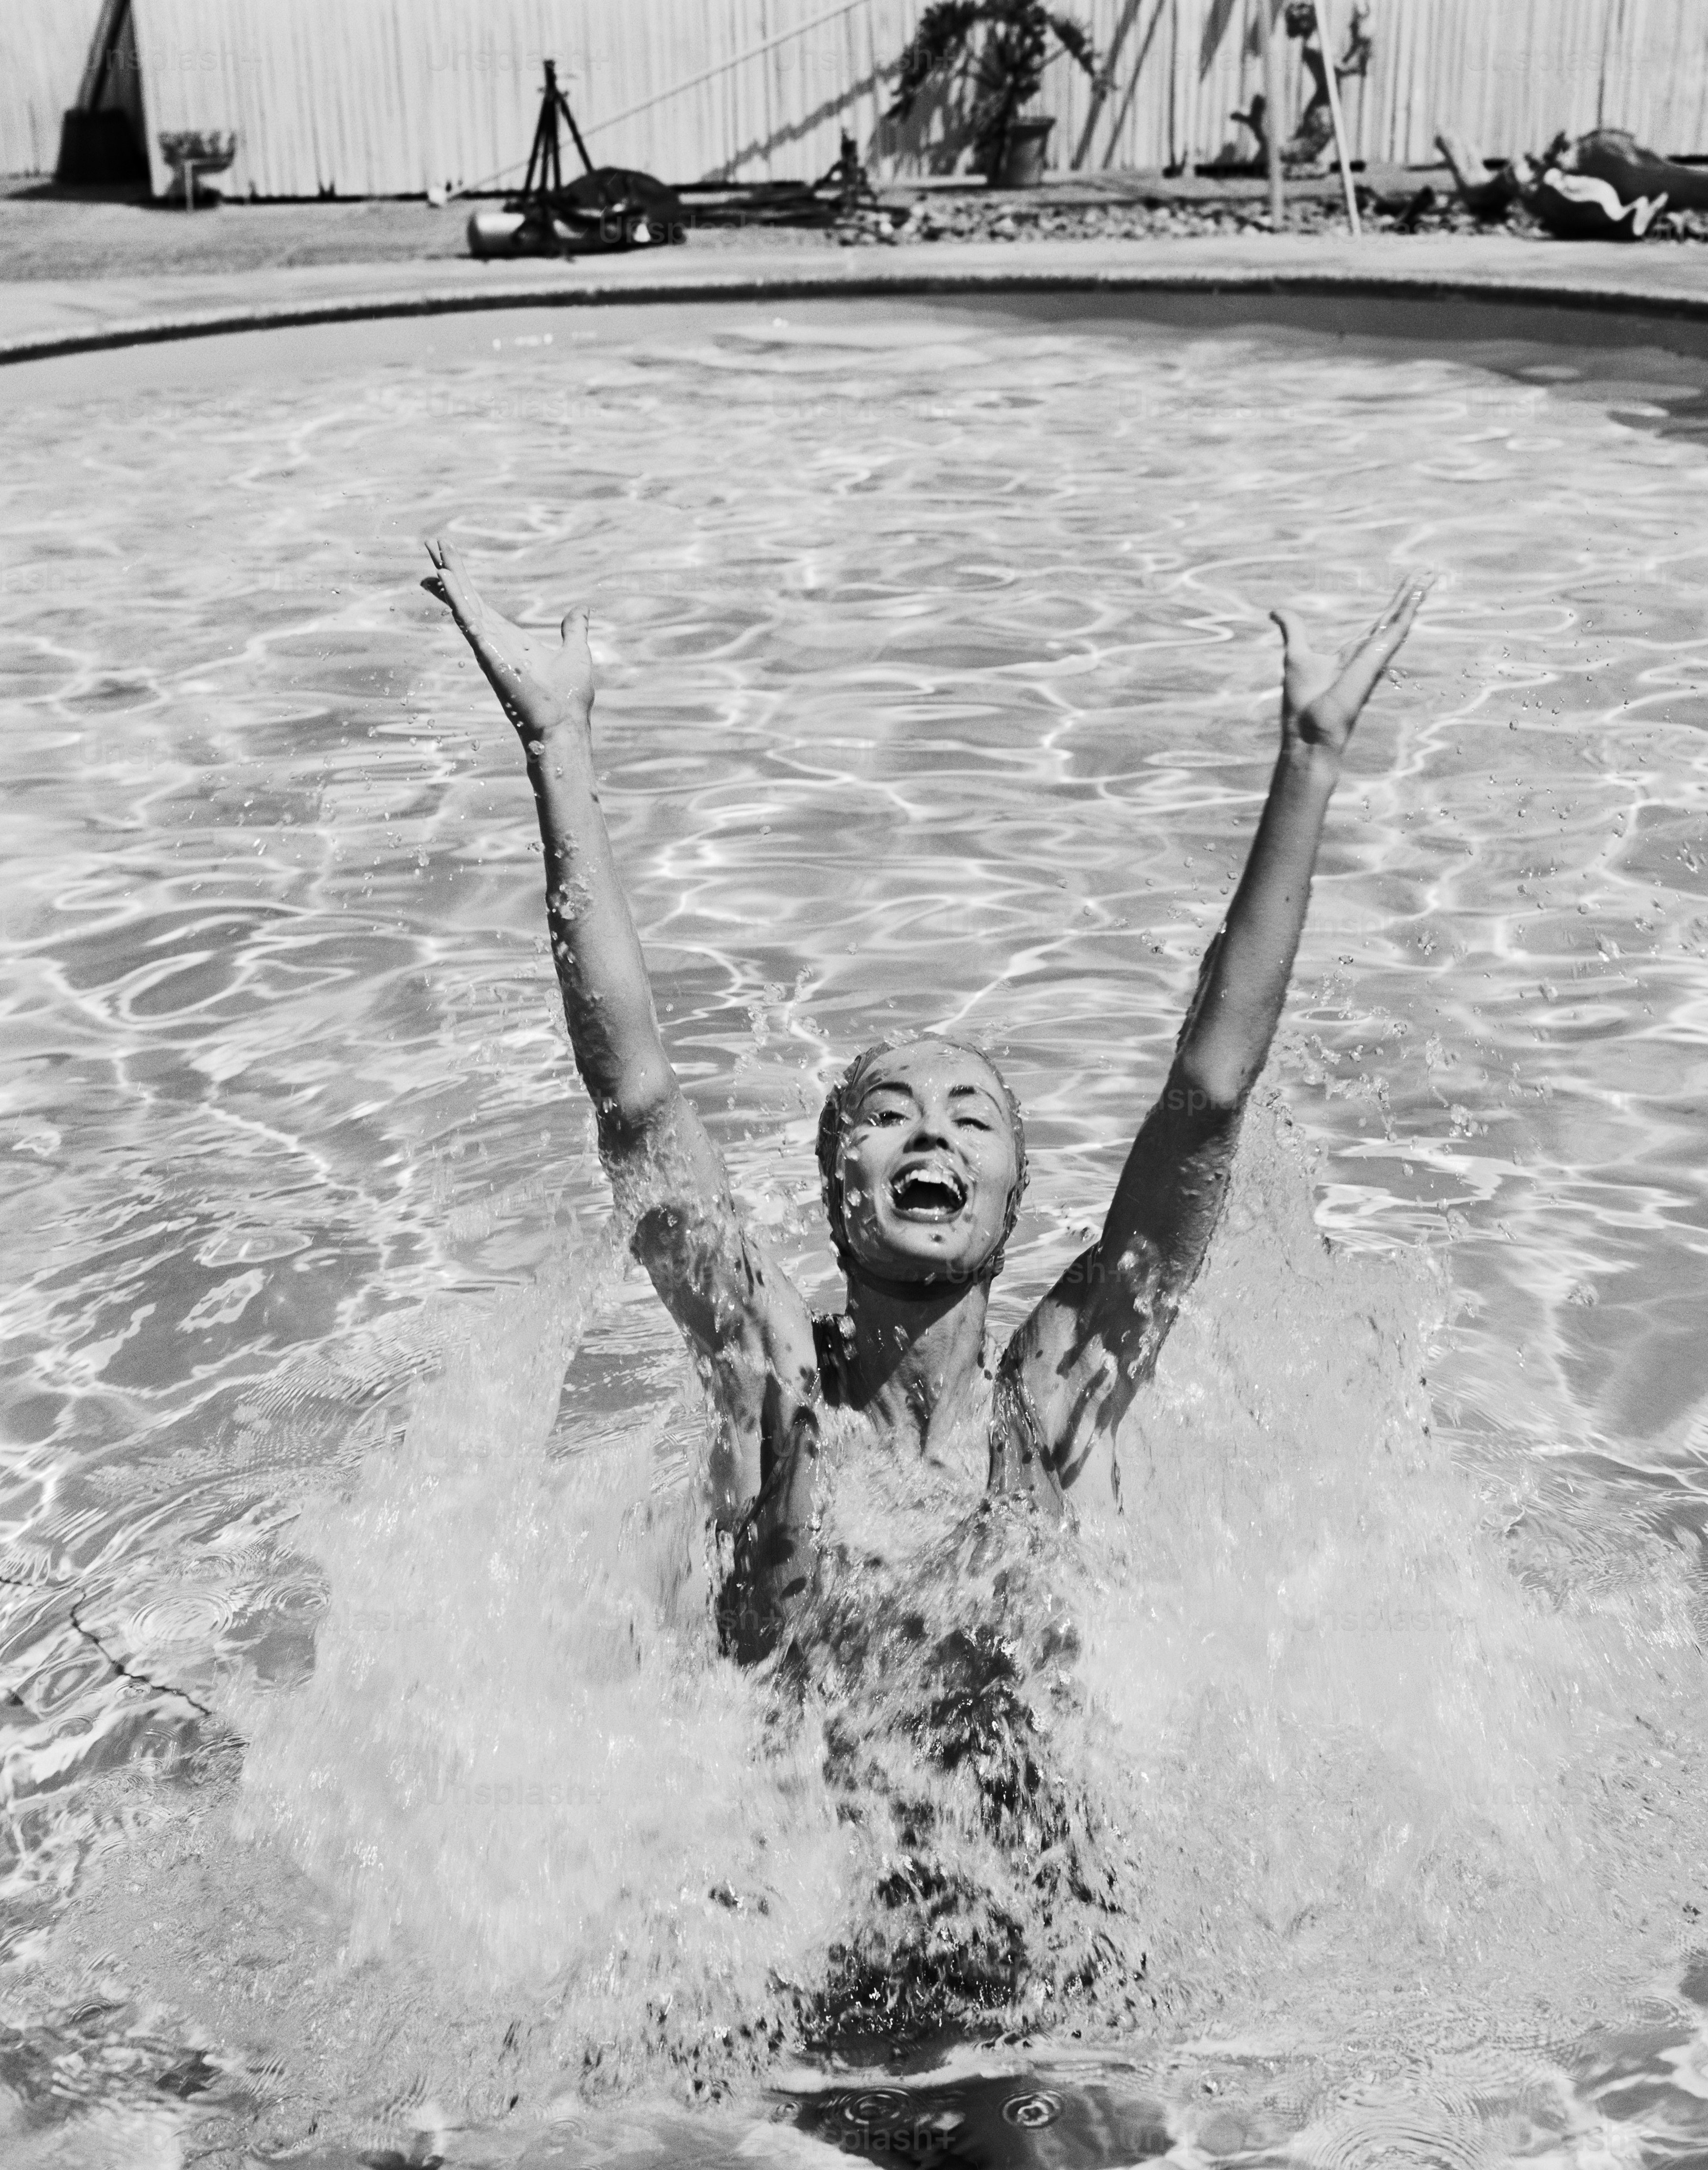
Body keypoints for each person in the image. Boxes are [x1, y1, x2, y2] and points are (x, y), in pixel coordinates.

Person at [421, 539, 1425, 1672]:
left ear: (1013, 1198)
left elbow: (1206, 1096)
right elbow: (639, 1106)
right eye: (891, 1110)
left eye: (973, 1117)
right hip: (778, 1856)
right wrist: (557, 744)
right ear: (835, 1188)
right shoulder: (779, 1380)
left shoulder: (1054, 1401)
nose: (934, 1129)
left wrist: (1308, 761)